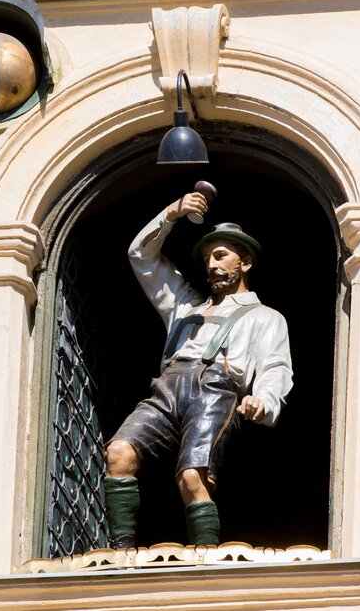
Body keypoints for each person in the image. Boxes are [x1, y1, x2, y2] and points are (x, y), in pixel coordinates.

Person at [103, 191, 292, 549]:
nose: (212, 264)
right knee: (119, 453)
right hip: (169, 386)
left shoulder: (265, 317)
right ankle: (120, 549)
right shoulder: (185, 305)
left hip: (216, 389)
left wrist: (263, 401)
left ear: (245, 263)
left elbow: (275, 365)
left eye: (221, 255)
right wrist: (172, 212)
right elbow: (140, 256)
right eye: (207, 257)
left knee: (193, 477)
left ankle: (204, 554)